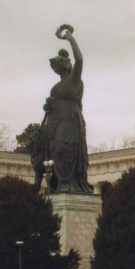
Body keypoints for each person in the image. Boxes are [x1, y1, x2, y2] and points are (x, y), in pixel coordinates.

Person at [32, 24, 93, 194]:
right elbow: (50, 107)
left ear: (67, 65)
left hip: (70, 119)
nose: (58, 68)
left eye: (61, 64)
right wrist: (48, 107)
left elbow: (80, 59)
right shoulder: (55, 87)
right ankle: (59, 184)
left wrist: (70, 38)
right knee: (54, 150)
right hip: (55, 121)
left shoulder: (75, 80)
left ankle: (70, 184)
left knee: (64, 149)